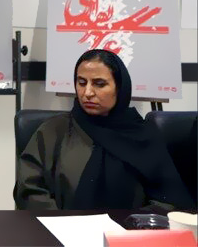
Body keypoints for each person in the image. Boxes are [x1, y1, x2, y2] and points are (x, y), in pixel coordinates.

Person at [15, 49, 193, 211]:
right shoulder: (53, 131)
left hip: (129, 232)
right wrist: (63, 225)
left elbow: (169, 201)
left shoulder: (142, 136)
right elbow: (29, 190)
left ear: (120, 87)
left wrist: (132, 224)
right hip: (61, 231)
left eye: (99, 84)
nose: (87, 92)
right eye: (81, 82)